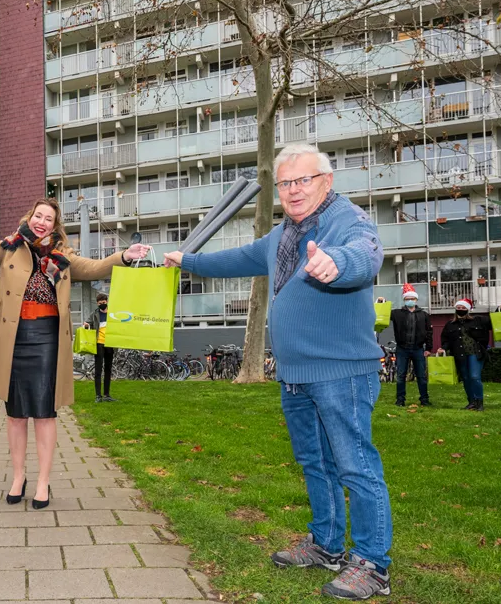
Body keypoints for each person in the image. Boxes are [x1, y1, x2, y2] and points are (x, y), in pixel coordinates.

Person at [164, 143, 391, 600]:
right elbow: (236, 258)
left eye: (303, 180)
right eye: (285, 183)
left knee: (355, 466)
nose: (293, 190)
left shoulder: (346, 220)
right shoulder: (283, 234)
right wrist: (185, 260)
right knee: (315, 463)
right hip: (296, 373)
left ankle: (372, 564)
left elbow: (366, 253)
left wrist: (338, 262)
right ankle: (327, 546)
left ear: (326, 181)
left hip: (341, 372)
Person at [0, 200, 149, 510]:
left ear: (55, 225)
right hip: (13, 337)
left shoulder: (62, 256)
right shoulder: (11, 247)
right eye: (38, 215)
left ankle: (43, 481)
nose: (42, 222)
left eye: (49, 218)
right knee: (15, 413)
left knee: (44, 412)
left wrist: (124, 256)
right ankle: (18, 477)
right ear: (30, 218)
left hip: (47, 337)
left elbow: (94, 267)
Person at [439, 297, 492, 411]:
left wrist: (499, 311)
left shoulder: (478, 320)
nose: (460, 309)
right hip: (460, 354)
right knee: (466, 378)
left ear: (468, 309)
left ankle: (479, 402)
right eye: (458, 307)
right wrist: (443, 348)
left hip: (475, 352)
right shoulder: (450, 324)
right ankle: (472, 402)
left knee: (474, 376)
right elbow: (446, 339)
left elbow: (493, 322)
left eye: (463, 307)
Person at [390, 284, 432, 407]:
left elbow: (429, 332)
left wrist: (428, 348)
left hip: (418, 349)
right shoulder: (396, 313)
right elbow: (383, 312)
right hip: (402, 349)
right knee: (400, 375)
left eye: (412, 299)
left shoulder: (424, 315)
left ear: (416, 299)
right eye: (407, 299)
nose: (410, 301)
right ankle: (400, 399)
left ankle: (424, 399)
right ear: (404, 300)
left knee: (421, 376)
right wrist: (381, 301)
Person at [83, 292, 116, 402]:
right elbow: (87, 323)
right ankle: (98, 395)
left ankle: (106, 394)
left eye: (104, 302)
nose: (102, 304)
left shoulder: (112, 314)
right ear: (97, 303)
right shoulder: (94, 314)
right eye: (100, 303)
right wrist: (86, 325)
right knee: (98, 370)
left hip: (109, 344)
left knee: (108, 369)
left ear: (107, 302)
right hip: (99, 344)